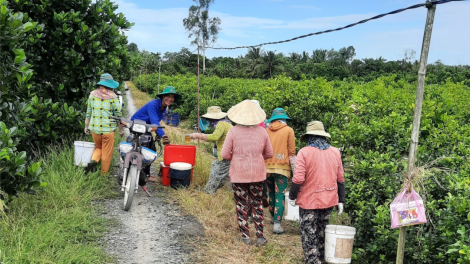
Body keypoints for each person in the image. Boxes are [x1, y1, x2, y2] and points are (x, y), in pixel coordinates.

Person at [288, 121, 345, 264]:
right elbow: (340, 178)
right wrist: (341, 200)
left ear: (308, 137)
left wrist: (292, 196)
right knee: (322, 232)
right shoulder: (335, 151)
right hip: (329, 200)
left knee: (309, 235)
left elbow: (299, 178)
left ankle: (313, 261)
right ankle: (322, 259)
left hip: (309, 201)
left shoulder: (304, 152)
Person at [221, 100, 273, 247]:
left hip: (239, 174)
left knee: (241, 204)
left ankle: (245, 237)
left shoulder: (233, 131)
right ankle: (260, 237)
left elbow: (225, 154)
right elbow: (269, 153)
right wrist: (255, 157)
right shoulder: (262, 132)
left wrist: (237, 157)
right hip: (257, 174)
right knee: (256, 204)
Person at [131, 86, 181, 180]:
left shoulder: (164, 107)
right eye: (168, 96)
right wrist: (163, 135)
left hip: (146, 127)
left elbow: (155, 123)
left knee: (151, 149)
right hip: (137, 125)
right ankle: (142, 173)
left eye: (172, 97)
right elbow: (155, 122)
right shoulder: (153, 104)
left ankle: (144, 173)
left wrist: (158, 134)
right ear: (163, 96)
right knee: (147, 148)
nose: (170, 99)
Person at [264, 108, 296, 234]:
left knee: (271, 192)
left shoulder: (267, 130)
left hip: (267, 167)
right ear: (284, 118)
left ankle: (272, 217)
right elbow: (292, 152)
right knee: (280, 194)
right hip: (282, 169)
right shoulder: (289, 130)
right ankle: (277, 224)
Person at [84, 73, 124, 175]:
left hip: (95, 130)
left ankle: (93, 162)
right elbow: (118, 115)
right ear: (110, 85)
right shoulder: (113, 97)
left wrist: (86, 126)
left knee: (99, 148)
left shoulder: (92, 94)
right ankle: (103, 175)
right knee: (107, 152)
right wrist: (121, 129)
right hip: (108, 131)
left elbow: (88, 112)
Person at [189, 106, 232, 194]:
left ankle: (208, 191)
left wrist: (198, 135)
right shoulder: (227, 123)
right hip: (230, 153)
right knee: (226, 174)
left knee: (216, 170)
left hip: (225, 154)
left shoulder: (221, 124)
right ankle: (226, 192)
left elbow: (214, 137)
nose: (209, 121)